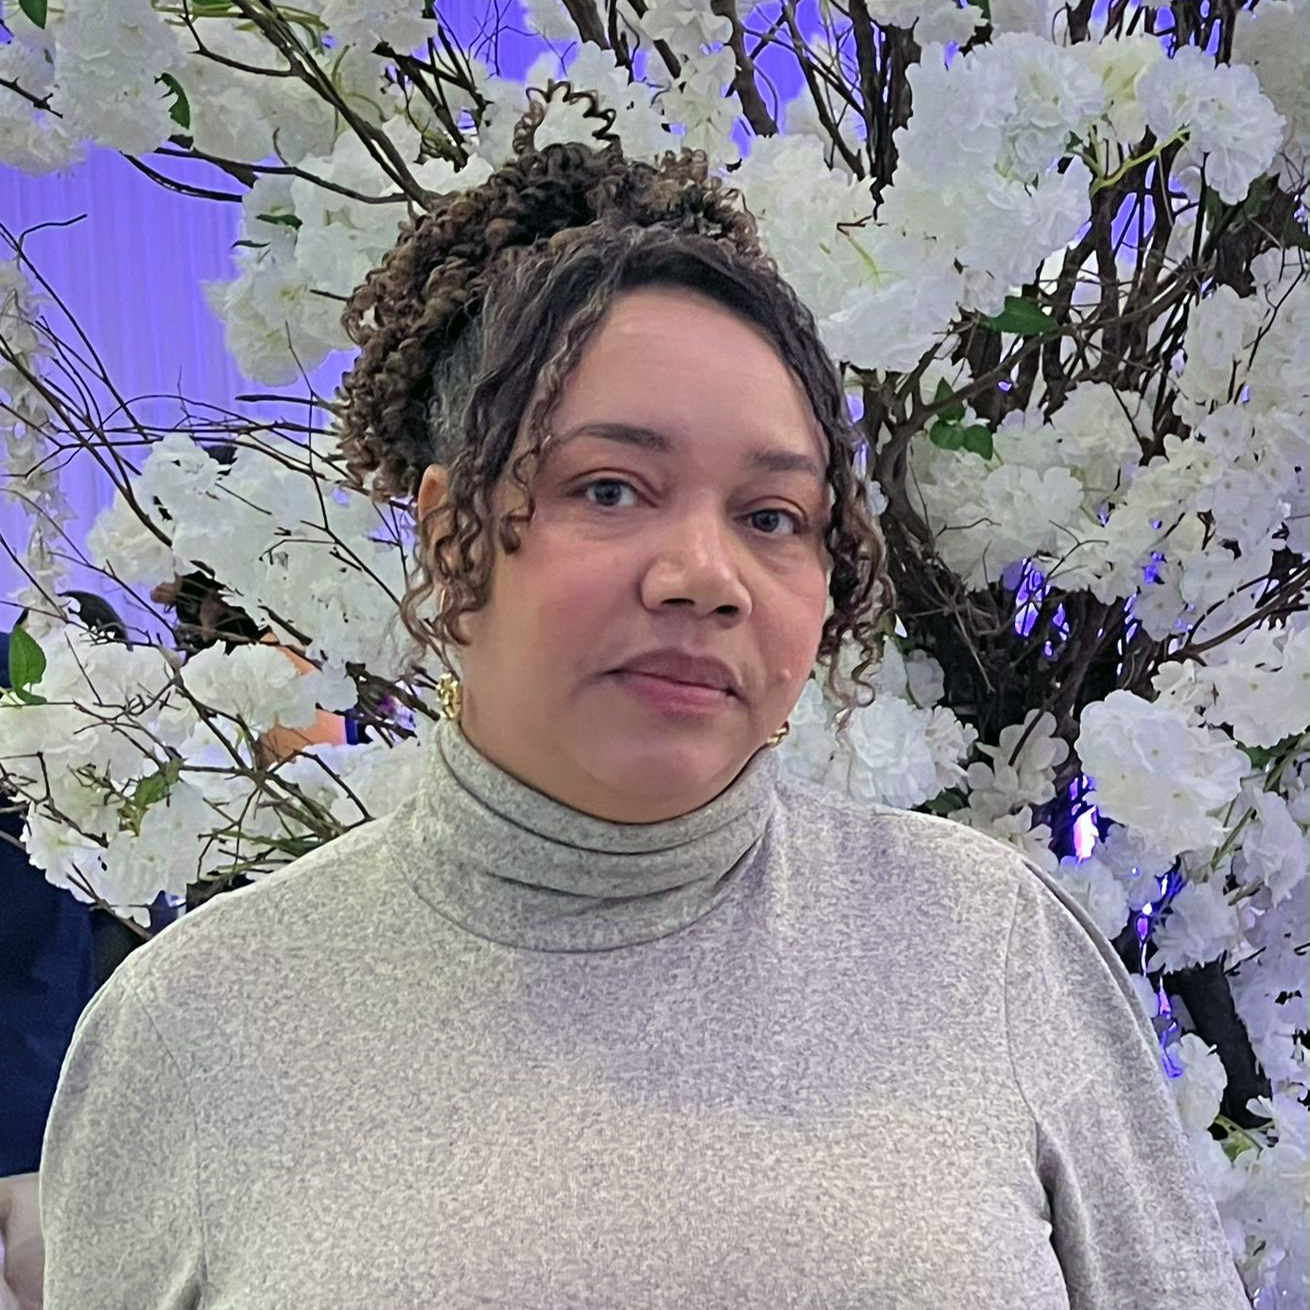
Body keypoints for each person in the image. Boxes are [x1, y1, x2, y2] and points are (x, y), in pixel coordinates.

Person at [37, 121, 1251, 1308]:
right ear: (449, 531)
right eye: (610, 488)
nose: (703, 575)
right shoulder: (192, 1025)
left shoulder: (988, 944)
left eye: (770, 516)